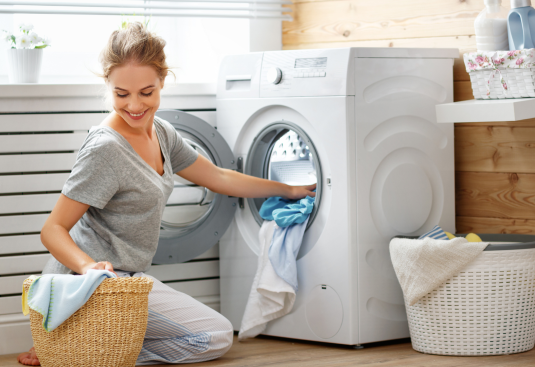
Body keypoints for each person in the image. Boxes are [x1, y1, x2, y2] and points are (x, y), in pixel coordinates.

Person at [17, 22, 315, 366]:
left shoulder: (162, 132)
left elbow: (218, 177)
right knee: (215, 336)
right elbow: (52, 229)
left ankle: (81, 350)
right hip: (90, 284)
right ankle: (81, 349)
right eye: (121, 93)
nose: (133, 105)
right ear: (108, 87)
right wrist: (89, 268)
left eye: (146, 92)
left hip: (129, 281)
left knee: (213, 334)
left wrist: (289, 188)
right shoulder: (105, 149)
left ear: (162, 81)